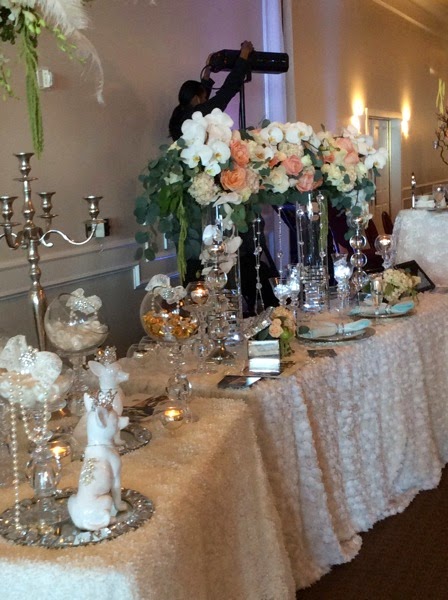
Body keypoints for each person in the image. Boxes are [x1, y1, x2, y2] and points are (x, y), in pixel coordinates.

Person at [168, 40, 254, 141]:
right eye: (205, 98)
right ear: (196, 99)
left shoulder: (179, 113)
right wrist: (243, 56)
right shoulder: (196, 114)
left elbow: (204, 100)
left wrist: (208, 70)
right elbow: (225, 93)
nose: (206, 100)